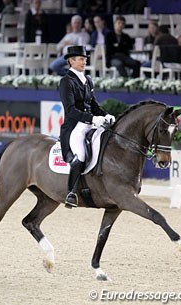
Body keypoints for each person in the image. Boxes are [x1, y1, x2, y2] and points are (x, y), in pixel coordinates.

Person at [59, 45, 115, 208]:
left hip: (91, 122)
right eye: (81, 59)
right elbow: (70, 110)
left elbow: (94, 105)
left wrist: (105, 115)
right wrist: (92, 119)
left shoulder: (87, 80)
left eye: (85, 59)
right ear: (71, 61)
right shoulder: (66, 82)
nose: (84, 62)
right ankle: (71, 193)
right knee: (81, 156)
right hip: (75, 126)